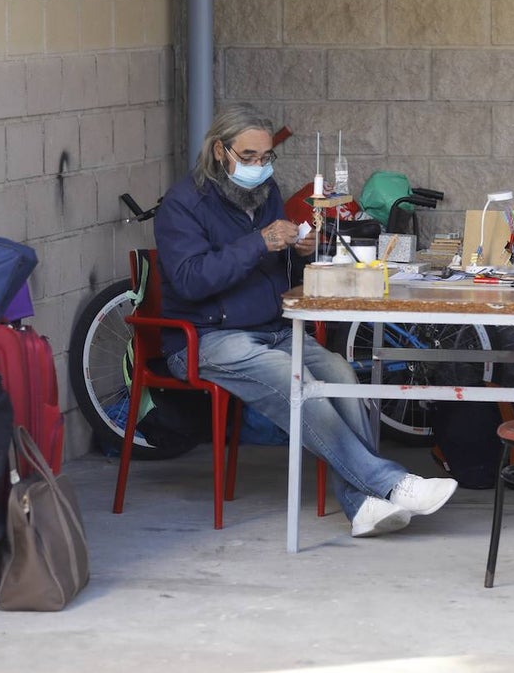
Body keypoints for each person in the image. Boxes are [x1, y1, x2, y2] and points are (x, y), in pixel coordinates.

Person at [153, 103, 457, 537]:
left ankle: (362, 507)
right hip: (205, 336)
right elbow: (189, 281)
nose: (259, 167)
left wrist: (301, 250)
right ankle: (391, 483)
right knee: (295, 385)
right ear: (220, 152)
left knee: (339, 374)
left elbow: (274, 273)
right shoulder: (182, 204)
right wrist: (259, 243)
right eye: (249, 158)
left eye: (266, 157)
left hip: (268, 329)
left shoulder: (265, 192)